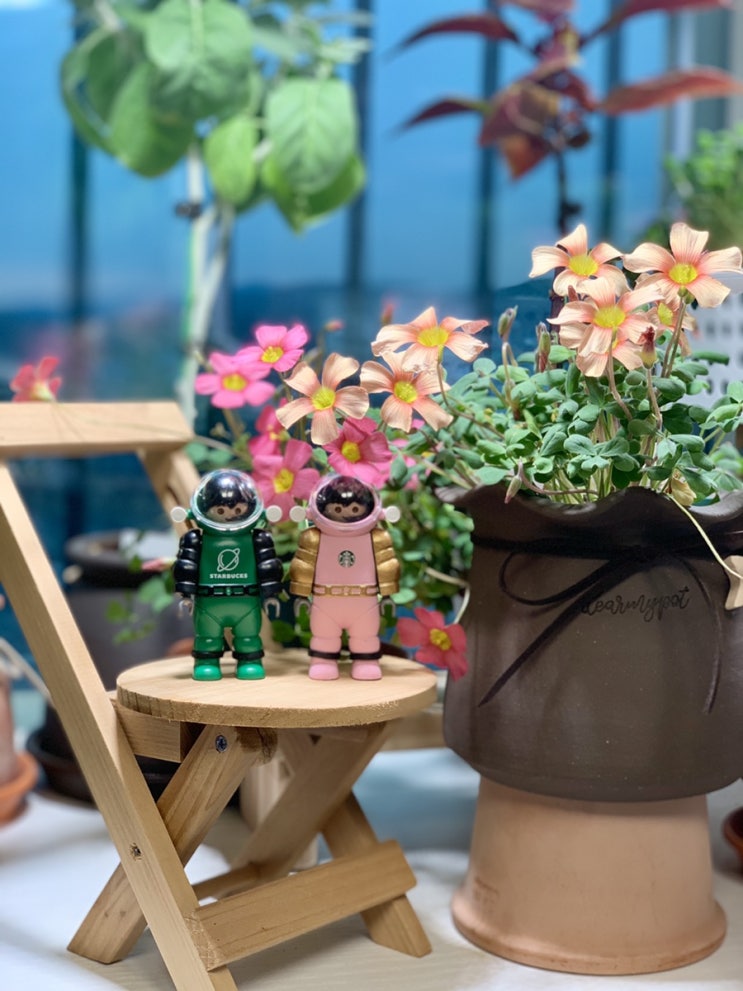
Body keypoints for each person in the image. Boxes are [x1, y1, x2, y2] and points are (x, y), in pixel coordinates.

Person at [172, 469, 282, 681]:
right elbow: (186, 567)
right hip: (209, 601)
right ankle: (206, 663)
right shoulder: (196, 540)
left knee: (248, 636)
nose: (230, 515)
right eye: (220, 511)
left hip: (246, 601)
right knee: (207, 636)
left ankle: (250, 662)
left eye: (238, 509)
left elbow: (268, 566)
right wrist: (185, 593)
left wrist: (271, 592)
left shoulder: (258, 539)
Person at [289, 475, 399, 681]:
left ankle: (366, 662)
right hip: (326, 600)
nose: (346, 514)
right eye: (337, 509)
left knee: (365, 636)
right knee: (324, 635)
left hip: (364, 601)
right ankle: (323, 661)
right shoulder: (313, 537)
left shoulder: (377, 537)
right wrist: (301, 595)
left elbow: (387, 565)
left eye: (355, 509)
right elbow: (303, 565)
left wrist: (387, 595)